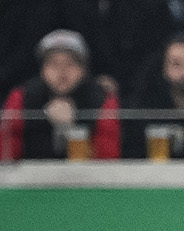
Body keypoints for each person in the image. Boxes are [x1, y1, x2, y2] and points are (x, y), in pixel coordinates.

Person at [1, 29, 120, 160]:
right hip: (31, 175)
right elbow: (6, 155)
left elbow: (108, 160)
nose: (62, 72)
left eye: (70, 64)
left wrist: (72, 129)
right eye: (53, 64)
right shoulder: (22, 97)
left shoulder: (102, 99)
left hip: (86, 177)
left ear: (84, 69)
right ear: (42, 69)